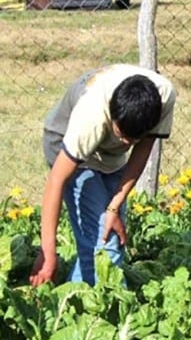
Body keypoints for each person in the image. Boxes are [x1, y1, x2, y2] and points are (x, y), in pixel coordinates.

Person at [30, 64, 177, 287]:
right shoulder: (91, 115)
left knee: (112, 237)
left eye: (134, 138)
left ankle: (76, 300)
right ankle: (103, 302)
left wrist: (114, 207)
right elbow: (57, 179)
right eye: (122, 135)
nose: (127, 143)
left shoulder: (163, 96)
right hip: (67, 147)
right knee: (106, 244)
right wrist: (48, 252)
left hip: (110, 158)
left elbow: (142, 150)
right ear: (112, 115)